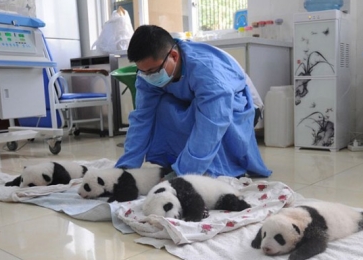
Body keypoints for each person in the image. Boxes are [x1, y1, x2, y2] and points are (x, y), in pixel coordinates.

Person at [115, 25, 272, 178]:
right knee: (162, 107)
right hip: (198, 103)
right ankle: (180, 161)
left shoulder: (206, 71)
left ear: (174, 56)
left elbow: (212, 123)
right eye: (144, 72)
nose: (149, 77)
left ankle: (218, 169)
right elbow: (142, 118)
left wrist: (184, 174)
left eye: (153, 71)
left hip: (240, 104)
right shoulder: (146, 76)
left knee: (203, 115)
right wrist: (126, 169)